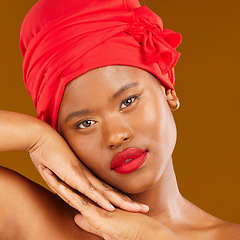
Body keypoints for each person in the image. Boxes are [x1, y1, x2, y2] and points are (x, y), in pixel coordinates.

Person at [0, 0, 240, 239]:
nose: (115, 136)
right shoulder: (32, 220)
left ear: (168, 90)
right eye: (85, 123)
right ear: (62, 135)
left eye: (128, 101)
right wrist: (36, 137)